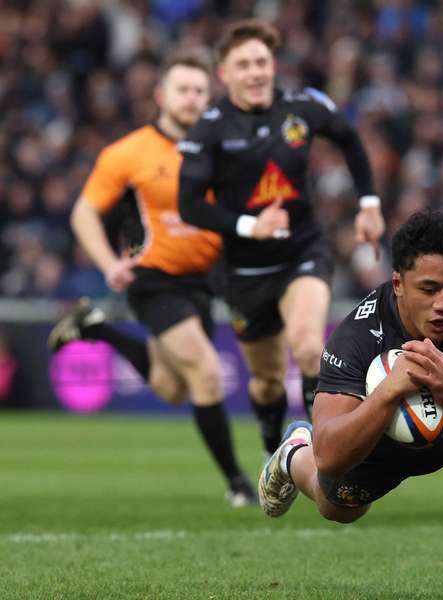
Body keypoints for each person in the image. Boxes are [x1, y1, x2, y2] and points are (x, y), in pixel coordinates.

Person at [47, 49, 257, 506]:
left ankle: (96, 328)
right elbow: (84, 212)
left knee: (170, 387)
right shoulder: (127, 153)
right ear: (161, 95)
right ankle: (239, 484)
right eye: (183, 89)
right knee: (205, 373)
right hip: (153, 279)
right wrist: (108, 264)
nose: (192, 98)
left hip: (202, 281)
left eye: (200, 91)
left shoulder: (224, 150)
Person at [177, 19, 385, 457]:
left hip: (301, 254)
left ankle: (324, 454)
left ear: (273, 66)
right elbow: (190, 205)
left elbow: (349, 138)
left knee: (310, 348)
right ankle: (277, 456)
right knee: (268, 379)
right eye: (244, 64)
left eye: (262, 62)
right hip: (244, 272)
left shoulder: (301, 107)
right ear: (224, 74)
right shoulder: (209, 129)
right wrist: (250, 225)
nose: (255, 72)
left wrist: (368, 204)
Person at [257, 210, 443, 523]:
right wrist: (388, 392)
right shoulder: (357, 335)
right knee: (338, 508)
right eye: (429, 289)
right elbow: (329, 456)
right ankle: (294, 454)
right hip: (377, 441)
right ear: (398, 283)